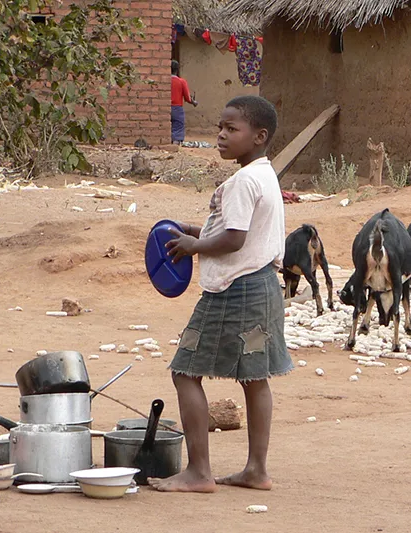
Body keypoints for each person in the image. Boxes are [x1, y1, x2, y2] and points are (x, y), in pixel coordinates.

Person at [151, 95, 289, 493]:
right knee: (255, 378)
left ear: (259, 136)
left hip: (234, 289)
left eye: (232, 129)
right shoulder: (264, 175)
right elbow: (240, 233)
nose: (222, 135)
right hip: (263, 285)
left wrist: (194, 247)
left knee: (185, 371)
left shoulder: (244, 181)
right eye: (220, 128)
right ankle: (256, 470)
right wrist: (193, 230)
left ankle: (198, 472)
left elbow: (233, 239)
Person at [171, 60, 198, 145]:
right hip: (177, 108)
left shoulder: (164, 82)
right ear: (177, 70)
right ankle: (175, 144)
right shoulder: (181, 82)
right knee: (178, 127)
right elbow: (188, 98)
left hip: (165, 107)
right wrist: (194, 102)